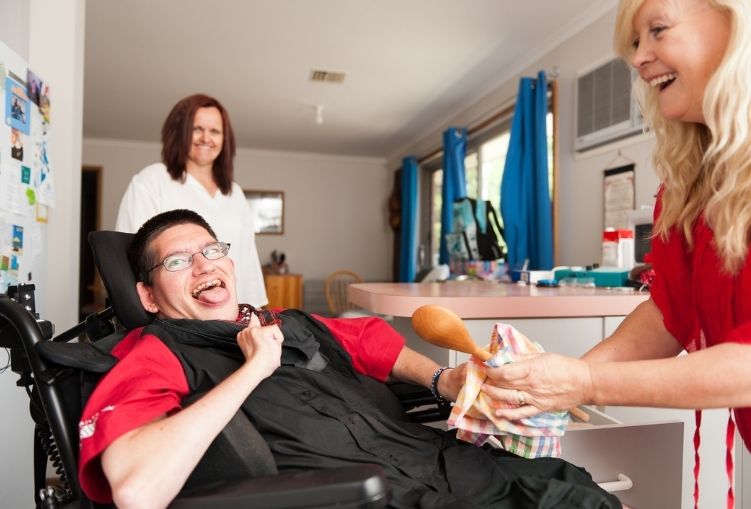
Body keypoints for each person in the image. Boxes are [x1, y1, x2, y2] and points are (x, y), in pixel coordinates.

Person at [77, 209, 621, 509]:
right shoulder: (155, 353)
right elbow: (136, 487)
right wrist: (252, 372)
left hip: (444, 464)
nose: (203, 266)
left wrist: (444, 377)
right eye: (178, 260)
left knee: (579, 494)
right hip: (360, 495)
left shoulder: (282, 319)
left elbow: (367, 341)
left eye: (212, 250)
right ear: (148, 296)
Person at [482, 0, 750, 498]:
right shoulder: (692, 186)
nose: (639, 57)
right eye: (634, 43)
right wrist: (551, 387)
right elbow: (669, 313)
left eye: (658, 31)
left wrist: (585, 382)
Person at [115, 93, 267, 307]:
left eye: (214, 131)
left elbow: (248, 259)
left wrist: (255, 311)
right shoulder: (152, 181)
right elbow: (132, 260)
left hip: (233, 315)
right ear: (180, 133)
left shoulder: (234, 192)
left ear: (225, 140)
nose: (206, 138)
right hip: (178, 318)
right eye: (197, 129)